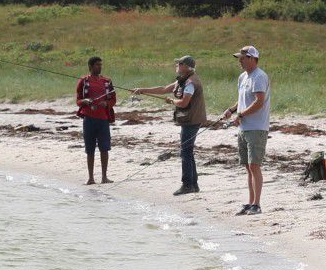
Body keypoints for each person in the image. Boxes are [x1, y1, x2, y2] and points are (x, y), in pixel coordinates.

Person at [128, 55, 207, 195]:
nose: (177, 65)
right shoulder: (183, 80)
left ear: (186, 67)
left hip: (192, 120)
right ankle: (193, 185)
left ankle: (187, 185)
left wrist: (172, 101)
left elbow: (184, 103)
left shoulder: (191, 82)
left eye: (179, 64)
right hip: (189, 119)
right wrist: (142, 90)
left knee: (185, 152)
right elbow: (164, 89)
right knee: (187, 151)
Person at [221, 45, 270, 215]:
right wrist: (231, 110)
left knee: (254, 165)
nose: (240, 61)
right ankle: (250, 203)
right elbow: (242, 99)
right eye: (239, 58)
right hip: (243, 128)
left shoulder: (259, 76)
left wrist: (241, 115)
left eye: (242, 58)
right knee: (248, 167)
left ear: (252, 59)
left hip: (257, 127)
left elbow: (259, 101)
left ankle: (257, 204)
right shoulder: (243, 77)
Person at [75, 56, 116, 185]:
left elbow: (113, 99)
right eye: (97, 65)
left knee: (105, 148)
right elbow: (78, 101)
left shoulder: (107, 81)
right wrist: (85, 101)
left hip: (103, 119)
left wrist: (106, 103)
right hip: (89, 119)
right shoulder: (83, 81)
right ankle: (91, 178)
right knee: (90, 149)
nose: (100, 67)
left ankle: (104, 177)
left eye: (100, 64)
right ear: (90, 66)